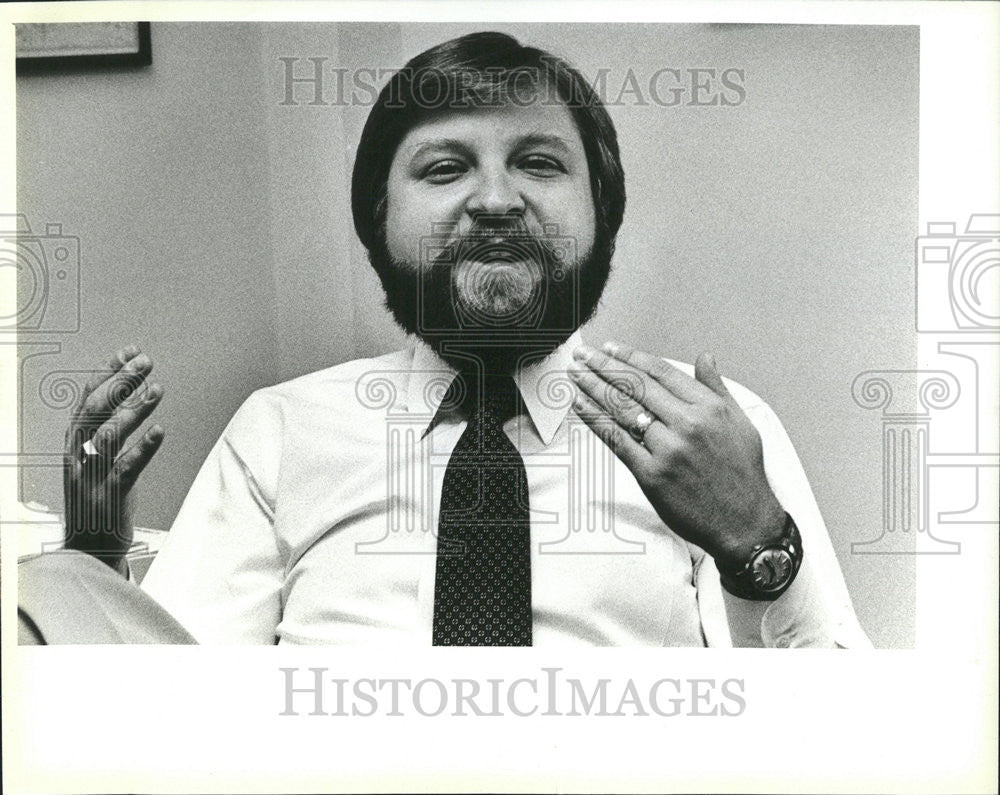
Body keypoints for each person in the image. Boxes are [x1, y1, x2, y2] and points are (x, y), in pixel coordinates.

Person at [21, 31, 870, 647]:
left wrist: (757, 538)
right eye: (444, 167)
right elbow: (173, 713)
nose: (495, 200)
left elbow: (843, 739)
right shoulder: (277, 432)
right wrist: (91, 562)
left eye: (539, 163)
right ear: (379, 221)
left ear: (602, 215)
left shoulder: (709, 424)